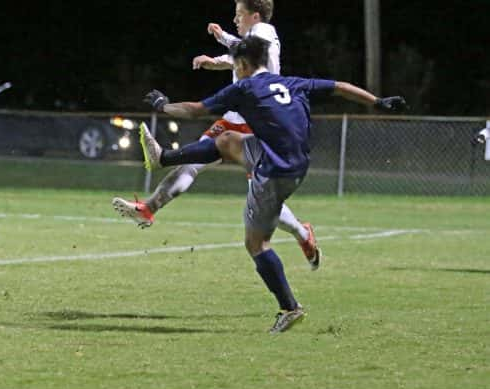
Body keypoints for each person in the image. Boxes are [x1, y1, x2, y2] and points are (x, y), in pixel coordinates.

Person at [138, 36, 406, 333]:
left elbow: (195, 110)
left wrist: (164, 105)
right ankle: (164, 157)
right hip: (293, 159)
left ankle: (289, 308)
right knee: (226, 140)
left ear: (241, 64)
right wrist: (377, 102)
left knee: (256, 243)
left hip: (276, 170)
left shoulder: (244, 87)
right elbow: (340, 87)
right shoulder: (291, 83)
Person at [112, 0, 321, 271]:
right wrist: (223, 39)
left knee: (264, 200)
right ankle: (149, 208)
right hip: (235, 118)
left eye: (239, 14)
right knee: (193, 162)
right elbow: (241, 48)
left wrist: (218, 50)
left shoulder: (265, 32)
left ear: (255, 16)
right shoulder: (254, 35)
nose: (236, 20)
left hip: (255, 122)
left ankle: (303, 234)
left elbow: (245, 51)